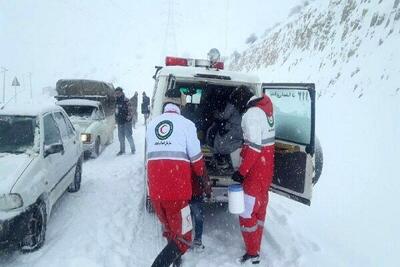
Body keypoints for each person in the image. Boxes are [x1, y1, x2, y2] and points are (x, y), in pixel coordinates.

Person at [146, 97, 206, 267]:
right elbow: (196, 158)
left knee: (172, 231)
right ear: (180, 108)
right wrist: (201, 175)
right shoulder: (187, 125)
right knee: (185, 238)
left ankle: (176, 261)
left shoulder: (152, 124)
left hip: (156, 192)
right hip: (177, 193)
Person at [230, 86, 275, 265]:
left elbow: (255, 147)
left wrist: (241, 173)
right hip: (266, 171)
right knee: (260, 211)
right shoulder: (266, 109)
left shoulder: (251, 115)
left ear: (242, 101)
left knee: (246, 213)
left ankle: (252, 253)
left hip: (255, 173)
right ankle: (256, 246)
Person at [190, 169, 212, 253]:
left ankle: (184, 240)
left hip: (185, 193)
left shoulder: (181, 158)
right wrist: (208, 192)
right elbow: (204, 177)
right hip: (196, 194)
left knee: (186, 218)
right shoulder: (197, 159)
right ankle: (197, 240)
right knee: (198, 218)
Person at [115, 87, 135, 155]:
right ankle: (122, 150)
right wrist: (116, 119)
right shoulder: (116, 101)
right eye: (116, 93)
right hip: (119, 122)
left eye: (118, 93)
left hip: (127, 122)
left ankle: (133, 149)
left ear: (121, 92)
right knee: (121, 137)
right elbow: (116, 111)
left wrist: (128, 118)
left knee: (128, 136)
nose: (117, 95)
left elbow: (131, 111)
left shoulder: (126, 100)